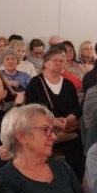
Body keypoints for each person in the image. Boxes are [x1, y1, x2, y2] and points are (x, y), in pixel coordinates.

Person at [24, 44, 85, 180]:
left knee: (77, 154)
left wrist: (68, 119)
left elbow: (77, 108)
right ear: (45, 62)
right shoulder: (35, 82)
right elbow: (30, 108)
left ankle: (75, 184)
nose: (58, 63)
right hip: (43, 128)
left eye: (61, 61)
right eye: (55, 60)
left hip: (67, 129)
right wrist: (52, 121)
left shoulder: (68, 84)